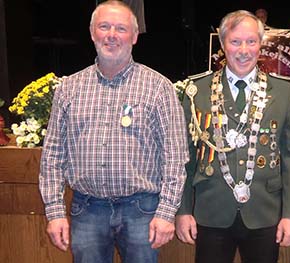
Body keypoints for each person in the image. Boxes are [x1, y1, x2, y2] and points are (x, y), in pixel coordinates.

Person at [39, 1, 189, 262]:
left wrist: (166, 213)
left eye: (121, 28)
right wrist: (54, 212)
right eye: (104, 26)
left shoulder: (158, 87)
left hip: (141, 210)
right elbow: (52, 156)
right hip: (86, 210)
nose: (111, 35)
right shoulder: (69, 89)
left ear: (134, 36)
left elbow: (175, 156)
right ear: (92, 32)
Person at [176, 10, 290, 263]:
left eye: (251, 41)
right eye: (235, 42)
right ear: (223, 44)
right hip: (211, 210)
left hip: (264, 212)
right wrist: (183, 210)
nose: (243, 50)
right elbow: (186, 157)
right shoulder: (197, 91)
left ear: (261, 44)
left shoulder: (282, 90)